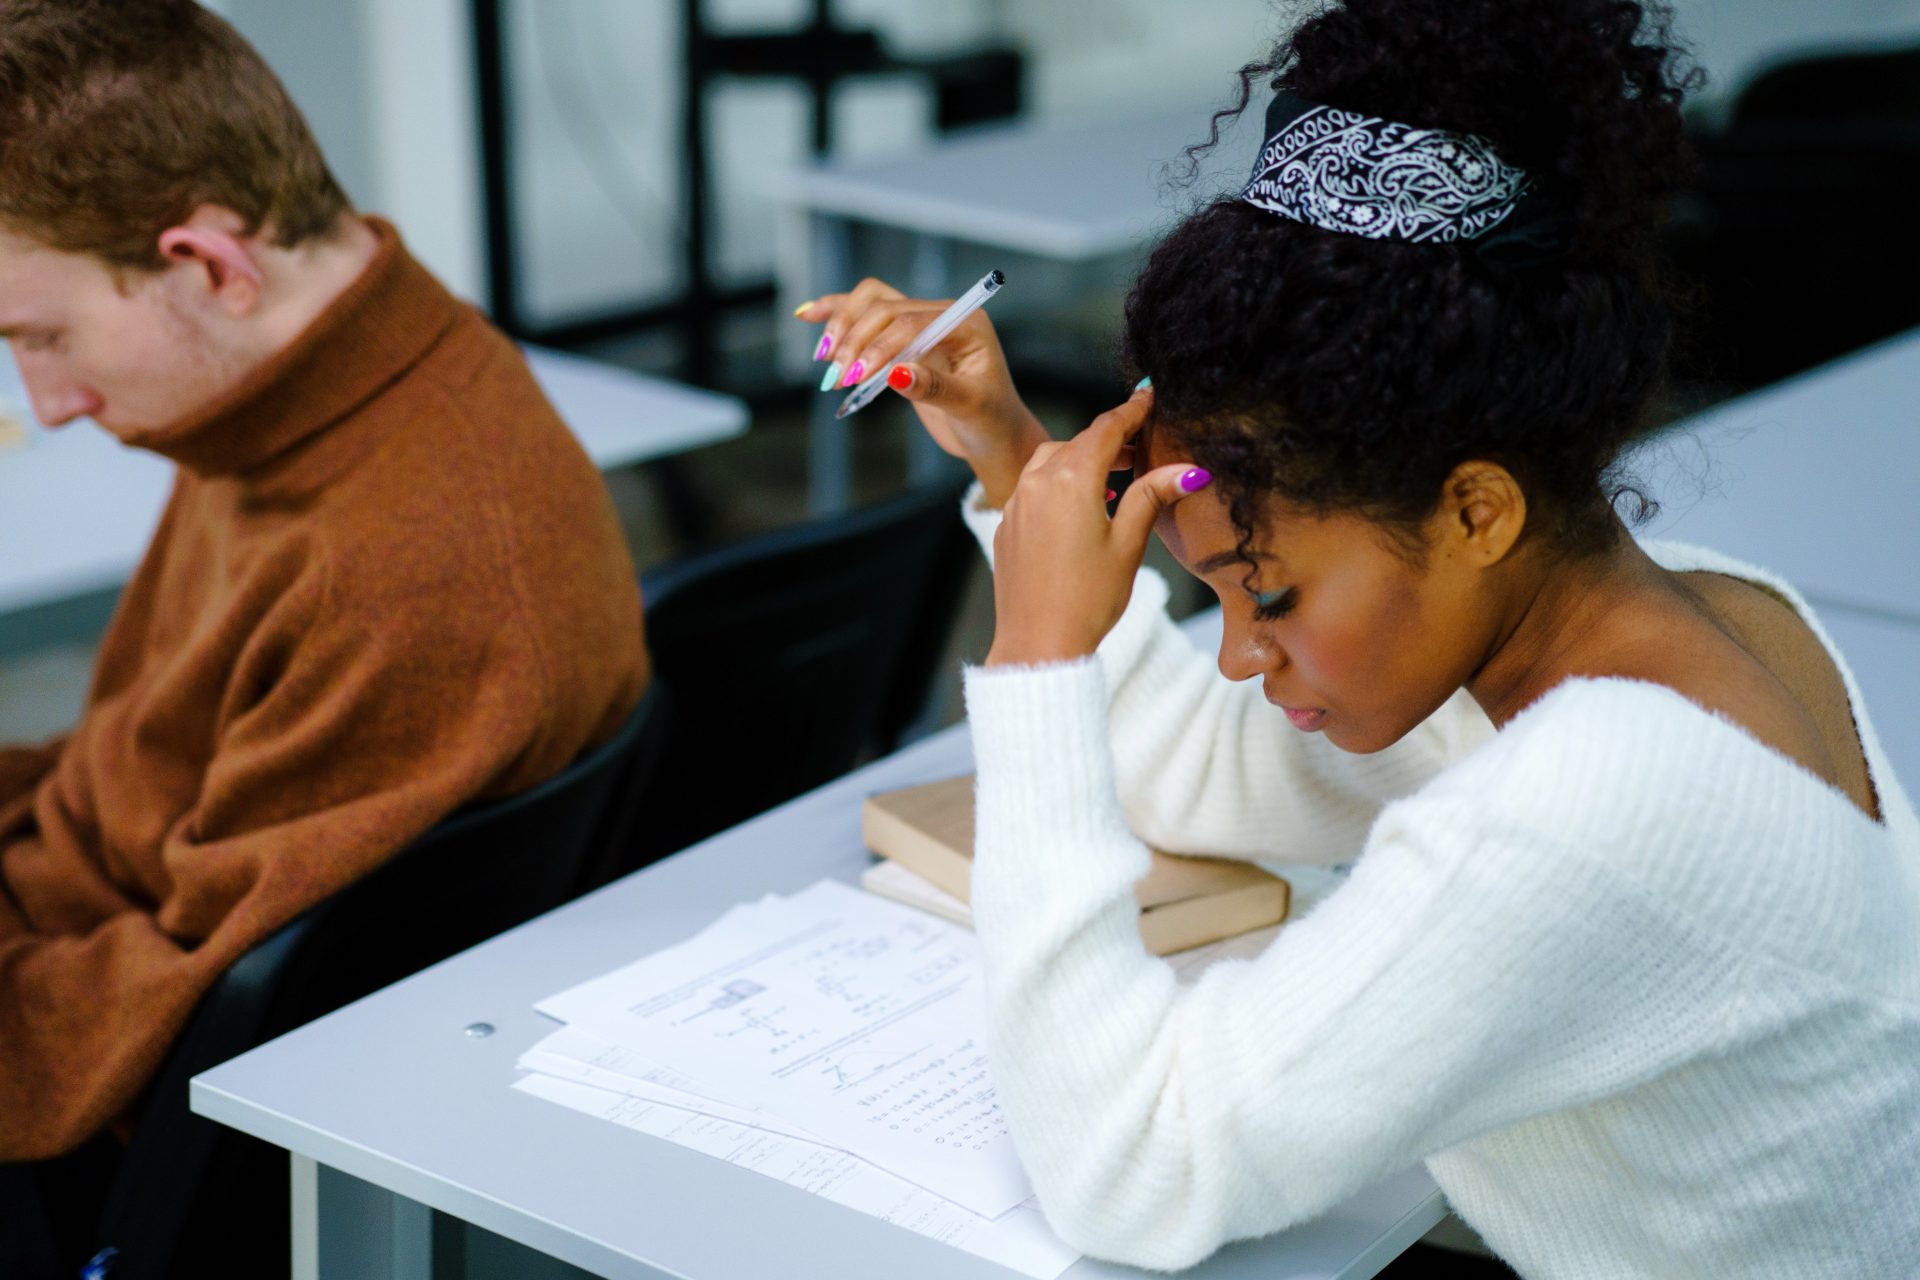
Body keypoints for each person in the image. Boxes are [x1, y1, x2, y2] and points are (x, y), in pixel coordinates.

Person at [798, 0, 1920, 1274]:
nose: (1239, 653)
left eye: (1265, 594)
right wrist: (1013, 460)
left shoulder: (1595, 794)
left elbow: (1130, 1168)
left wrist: (1040, 657)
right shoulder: (1706, 611)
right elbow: (1196, 775)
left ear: (1475, 507)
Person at [0, 1, 647, 1268]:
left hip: (104, 1101)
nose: (50, 402)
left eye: (45, 335)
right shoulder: (286, 393)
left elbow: (198, 1005)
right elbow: (133, 773)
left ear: (207, 266)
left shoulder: (418, 565)